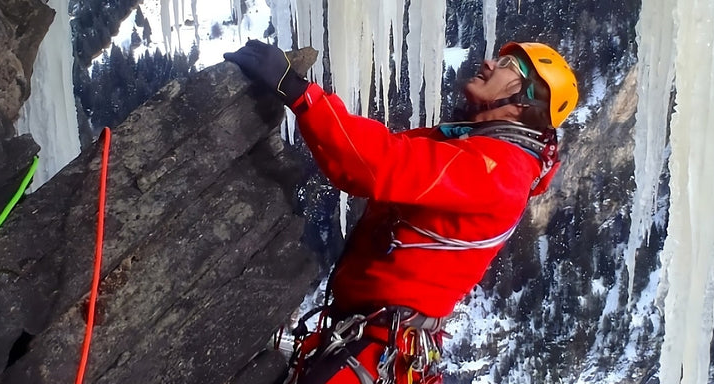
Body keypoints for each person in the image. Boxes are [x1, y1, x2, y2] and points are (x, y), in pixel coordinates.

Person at [224, 39, 578, 384]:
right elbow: (388, 150)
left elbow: (379, 163)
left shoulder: (497, 169)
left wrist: (299, 92)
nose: (489, 64)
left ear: (525, 103)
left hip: (378, 346)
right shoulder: (478, 148)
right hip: (375, 341)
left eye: (507, 67)